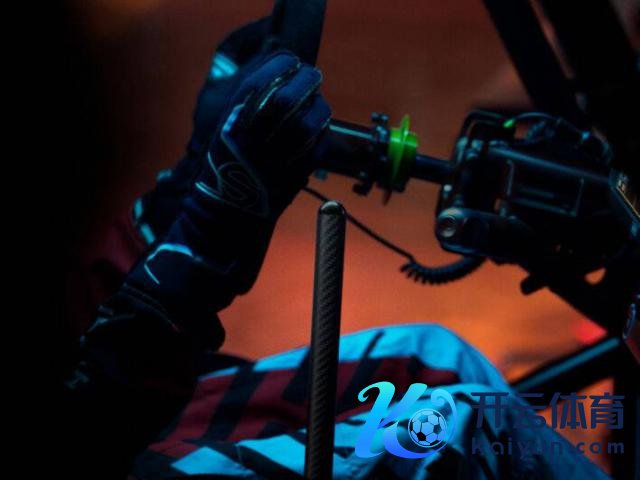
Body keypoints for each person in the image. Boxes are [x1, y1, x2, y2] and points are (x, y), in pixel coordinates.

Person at [61, 19, 609, 480]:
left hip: (108, 399)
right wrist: (198, 252)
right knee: (471, 431)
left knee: (434, 360)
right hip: (104, 445)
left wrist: (179, 194)